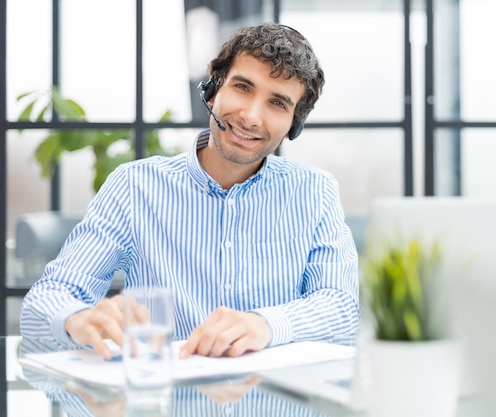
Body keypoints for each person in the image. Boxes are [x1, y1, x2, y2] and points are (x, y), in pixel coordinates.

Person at [20, 21, 360, 360]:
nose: (251, 116)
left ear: (293, 126)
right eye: (242, 87)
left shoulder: (315, 192)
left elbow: (342, 309)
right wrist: (78, 318)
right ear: (213, 89)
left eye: (277, 104)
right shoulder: (134, 187)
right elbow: (46, 300)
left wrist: (266, 324)